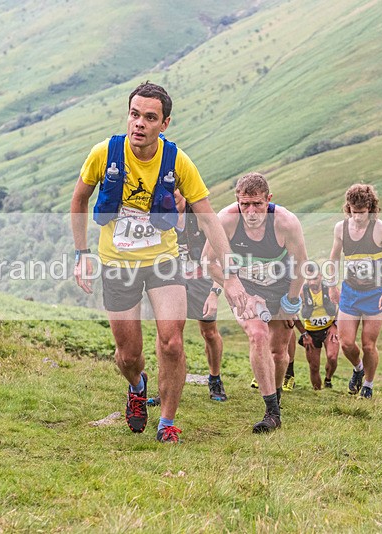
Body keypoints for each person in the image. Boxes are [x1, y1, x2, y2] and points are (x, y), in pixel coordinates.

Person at [71, 82, 247, 443]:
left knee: (172, 343)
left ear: (164, 123)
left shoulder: (178, 161)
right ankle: (137, 386)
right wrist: (81, 254)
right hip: (117, 263)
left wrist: (230, 276)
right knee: (128, 355)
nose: (140, 123)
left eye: (150, 118)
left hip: (164, 262)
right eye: (134, 114)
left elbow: (208, 217)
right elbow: (79, 199)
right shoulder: (104, 154)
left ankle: (167, 422)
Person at [206, 172, 307, 433]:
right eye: (245, 205)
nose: (251, 212)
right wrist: (234, 286)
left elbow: (301, 266)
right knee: (258, 335)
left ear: (268, 199)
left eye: (257, 204)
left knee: (279, 353)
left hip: (282, 289)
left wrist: (291, 303)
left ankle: (276, 396)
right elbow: (209, 262)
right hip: (246, 288)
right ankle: (272, 412)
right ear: (237, 200)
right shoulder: (226, 220)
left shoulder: (285, 222)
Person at [147, 190, 228, 408]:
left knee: (209, 332)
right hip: (171, 281)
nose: (172, 194)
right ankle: (166, 388)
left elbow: (220, 257)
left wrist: (214, 292)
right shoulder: (159, 216)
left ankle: (215, 378)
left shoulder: (200, 216)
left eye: (176, 189)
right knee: (167, 335)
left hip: (202, 280)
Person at [327, 184, 382, 399]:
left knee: (368, 345)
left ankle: (368, 384)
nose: (357, 217)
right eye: (354, 211)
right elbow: (334, 258)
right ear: (348, 207)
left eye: (362, 212)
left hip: (375, 293)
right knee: (346, 343)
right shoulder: (340, 228)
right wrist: (332, 285)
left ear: (371, 208)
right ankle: (358, 369)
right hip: (350, 291)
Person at [294, 267, 340, 390]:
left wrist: (335, 325)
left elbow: (343, 305)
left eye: (315, 278)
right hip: (311, 332)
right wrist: (304, 333)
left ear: (321, 276)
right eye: (309, 279)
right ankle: (317, 392)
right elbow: (292, 313)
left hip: (329, 328)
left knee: (332, 357)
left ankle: (328, 378)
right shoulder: (301, 292)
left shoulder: (330, 289)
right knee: (314, 367)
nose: (312, 282)